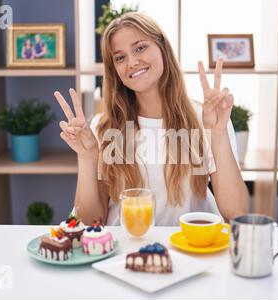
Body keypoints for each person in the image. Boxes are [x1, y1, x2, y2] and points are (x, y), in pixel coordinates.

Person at [54, 12, 249, 226]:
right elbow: (88, 222)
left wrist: (218, 132)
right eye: (120, 58)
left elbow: (236, 212)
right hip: (125, 250)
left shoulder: (208, 119)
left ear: (162, 47)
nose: (132, 62)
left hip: (191, 248)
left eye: (140, 48)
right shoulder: (103, 128)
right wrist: (87, 157)